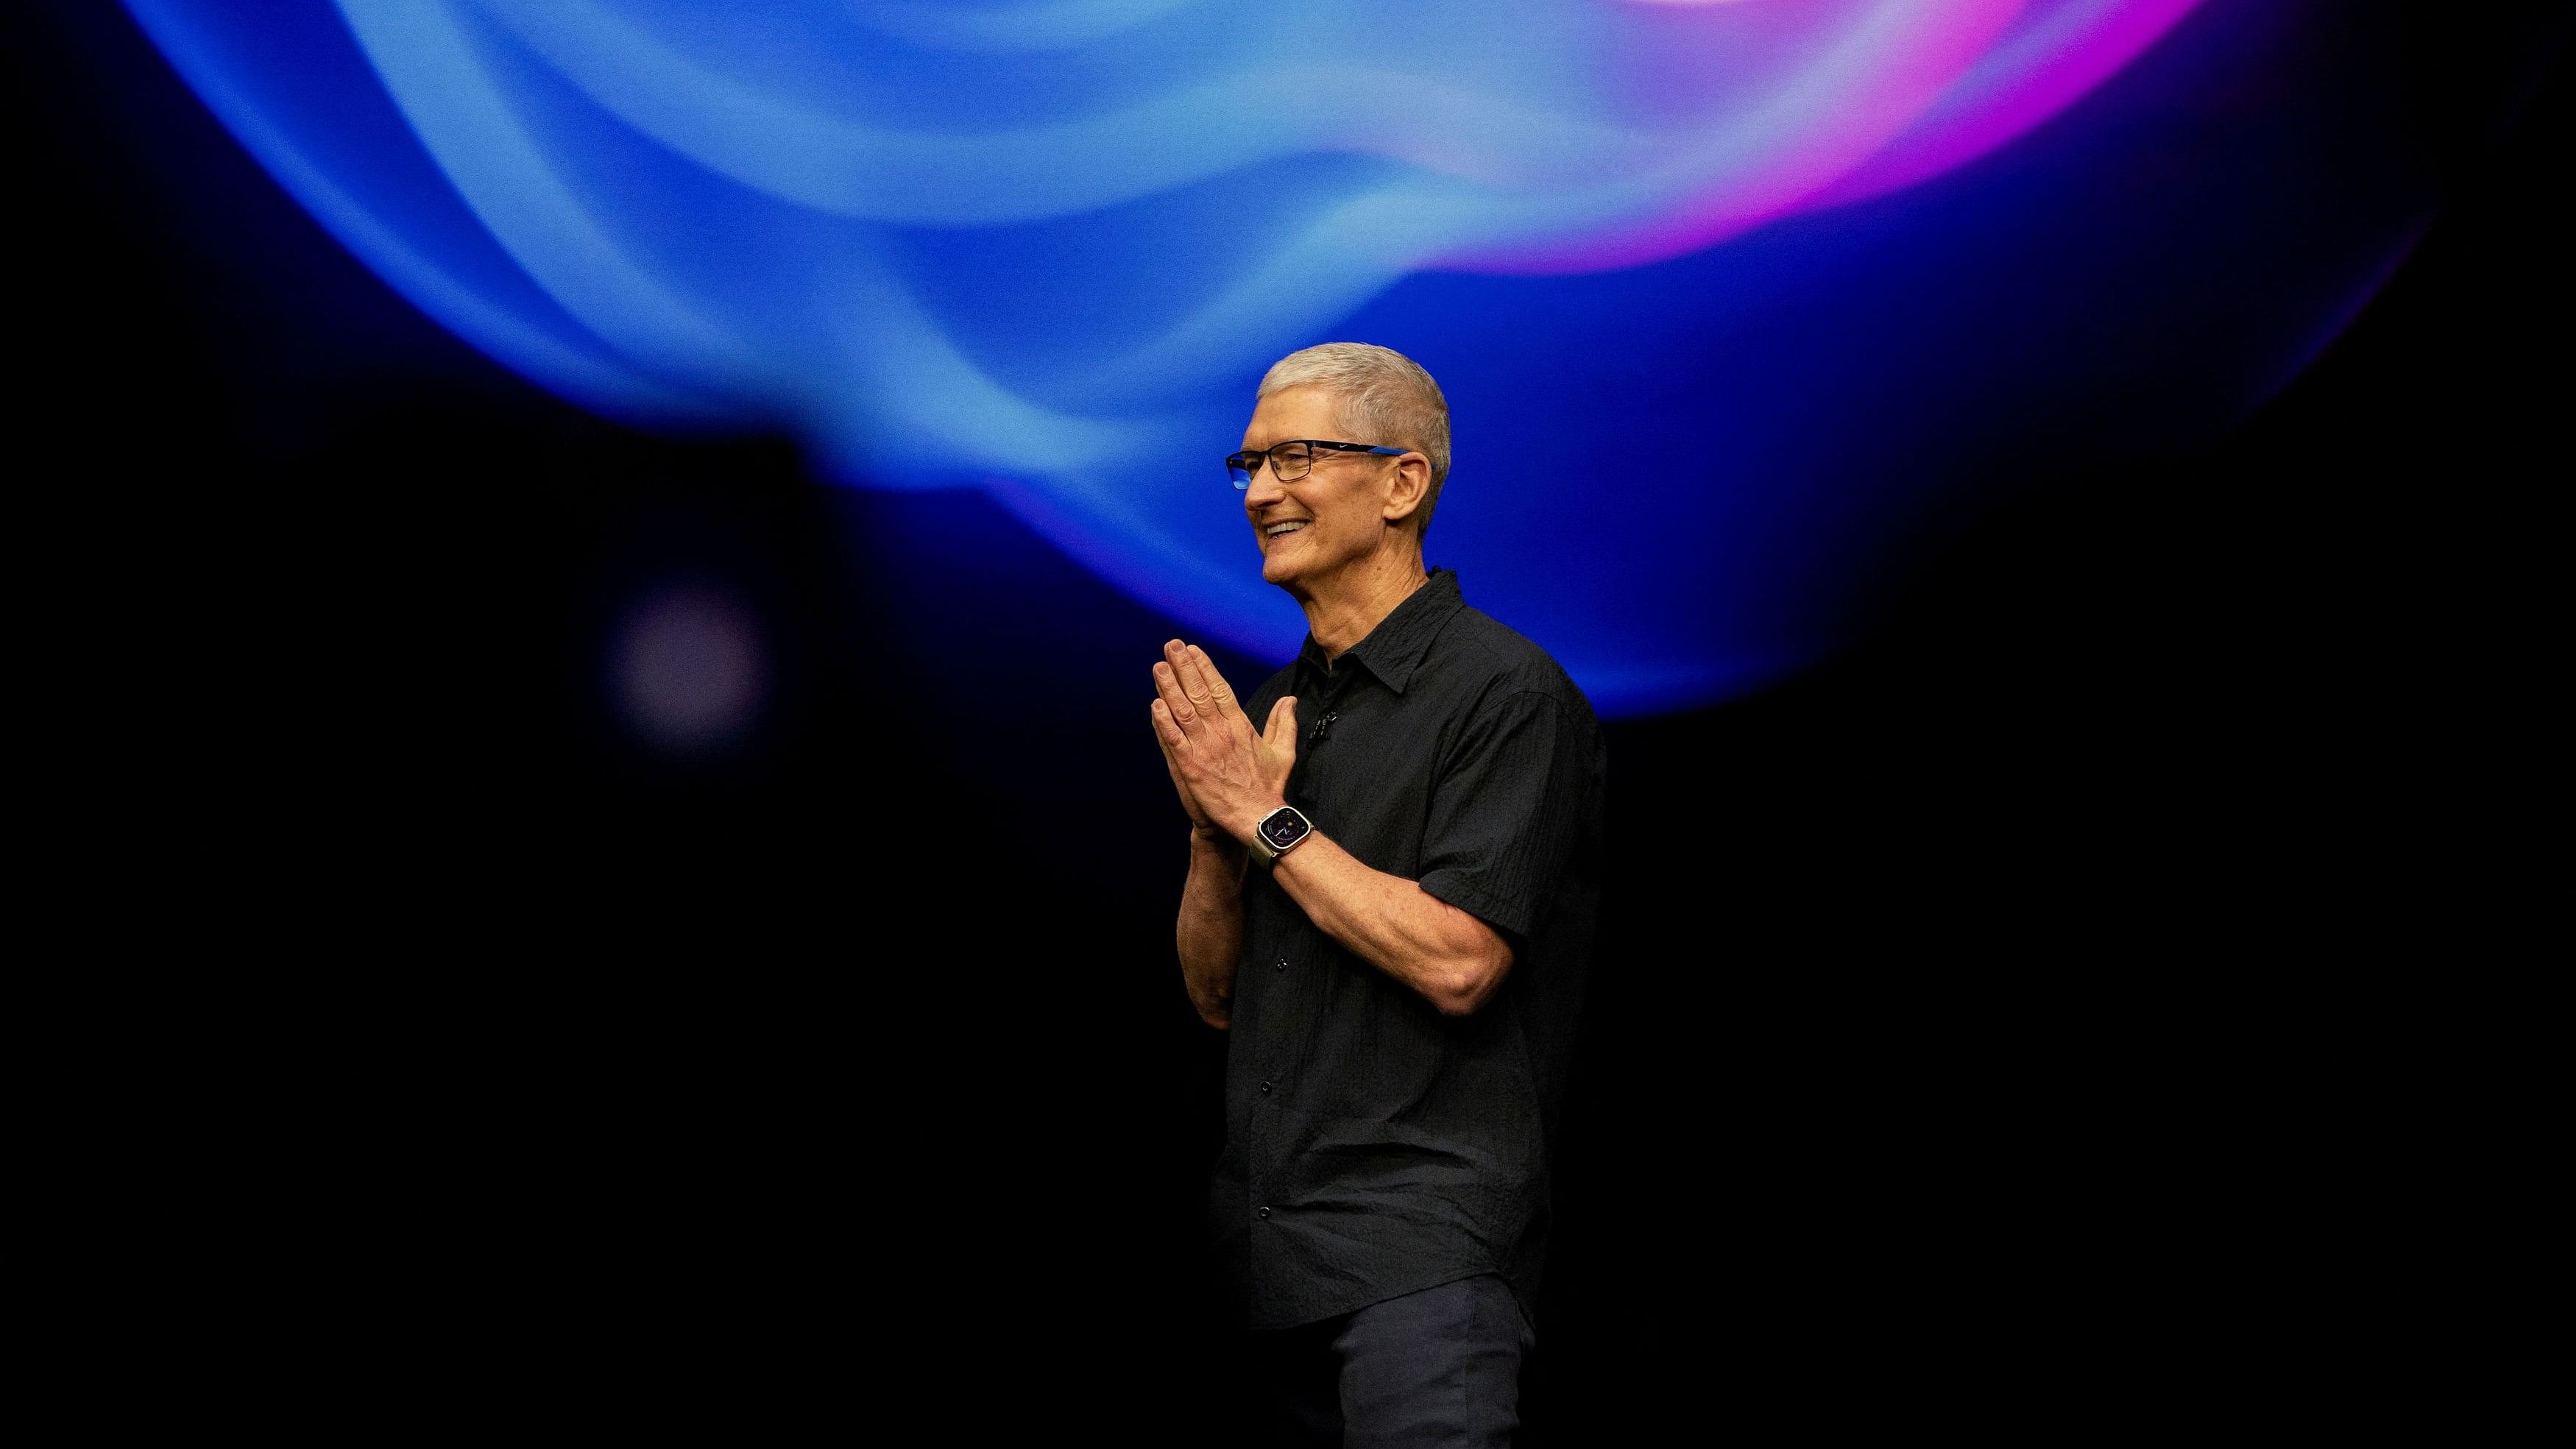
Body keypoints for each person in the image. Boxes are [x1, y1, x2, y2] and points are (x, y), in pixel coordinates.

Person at [1150, 343, 1605, 1447]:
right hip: (1260, 1266)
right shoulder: (1266, 717)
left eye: (1295, 457)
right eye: (1249, 464)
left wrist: (1263, 820)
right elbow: (1215, 998)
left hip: (1420, 1267)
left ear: (1401, 483)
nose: (1260, 492)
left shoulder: (1507, 693)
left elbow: (1460, 961)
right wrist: (1216, 837)